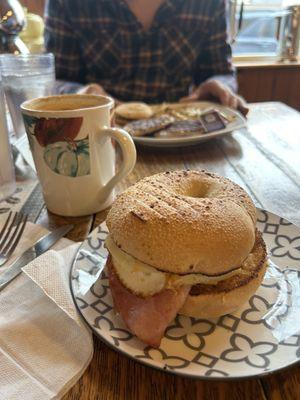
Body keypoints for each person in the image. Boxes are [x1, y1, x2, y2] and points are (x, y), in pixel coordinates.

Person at [45, 0, 247, 112]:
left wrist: (219, 86)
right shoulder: (67, 3)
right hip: (102, 137)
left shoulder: (209, 3)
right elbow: (56, 80)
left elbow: (221, 73)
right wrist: (81, 94)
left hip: (182, 135)